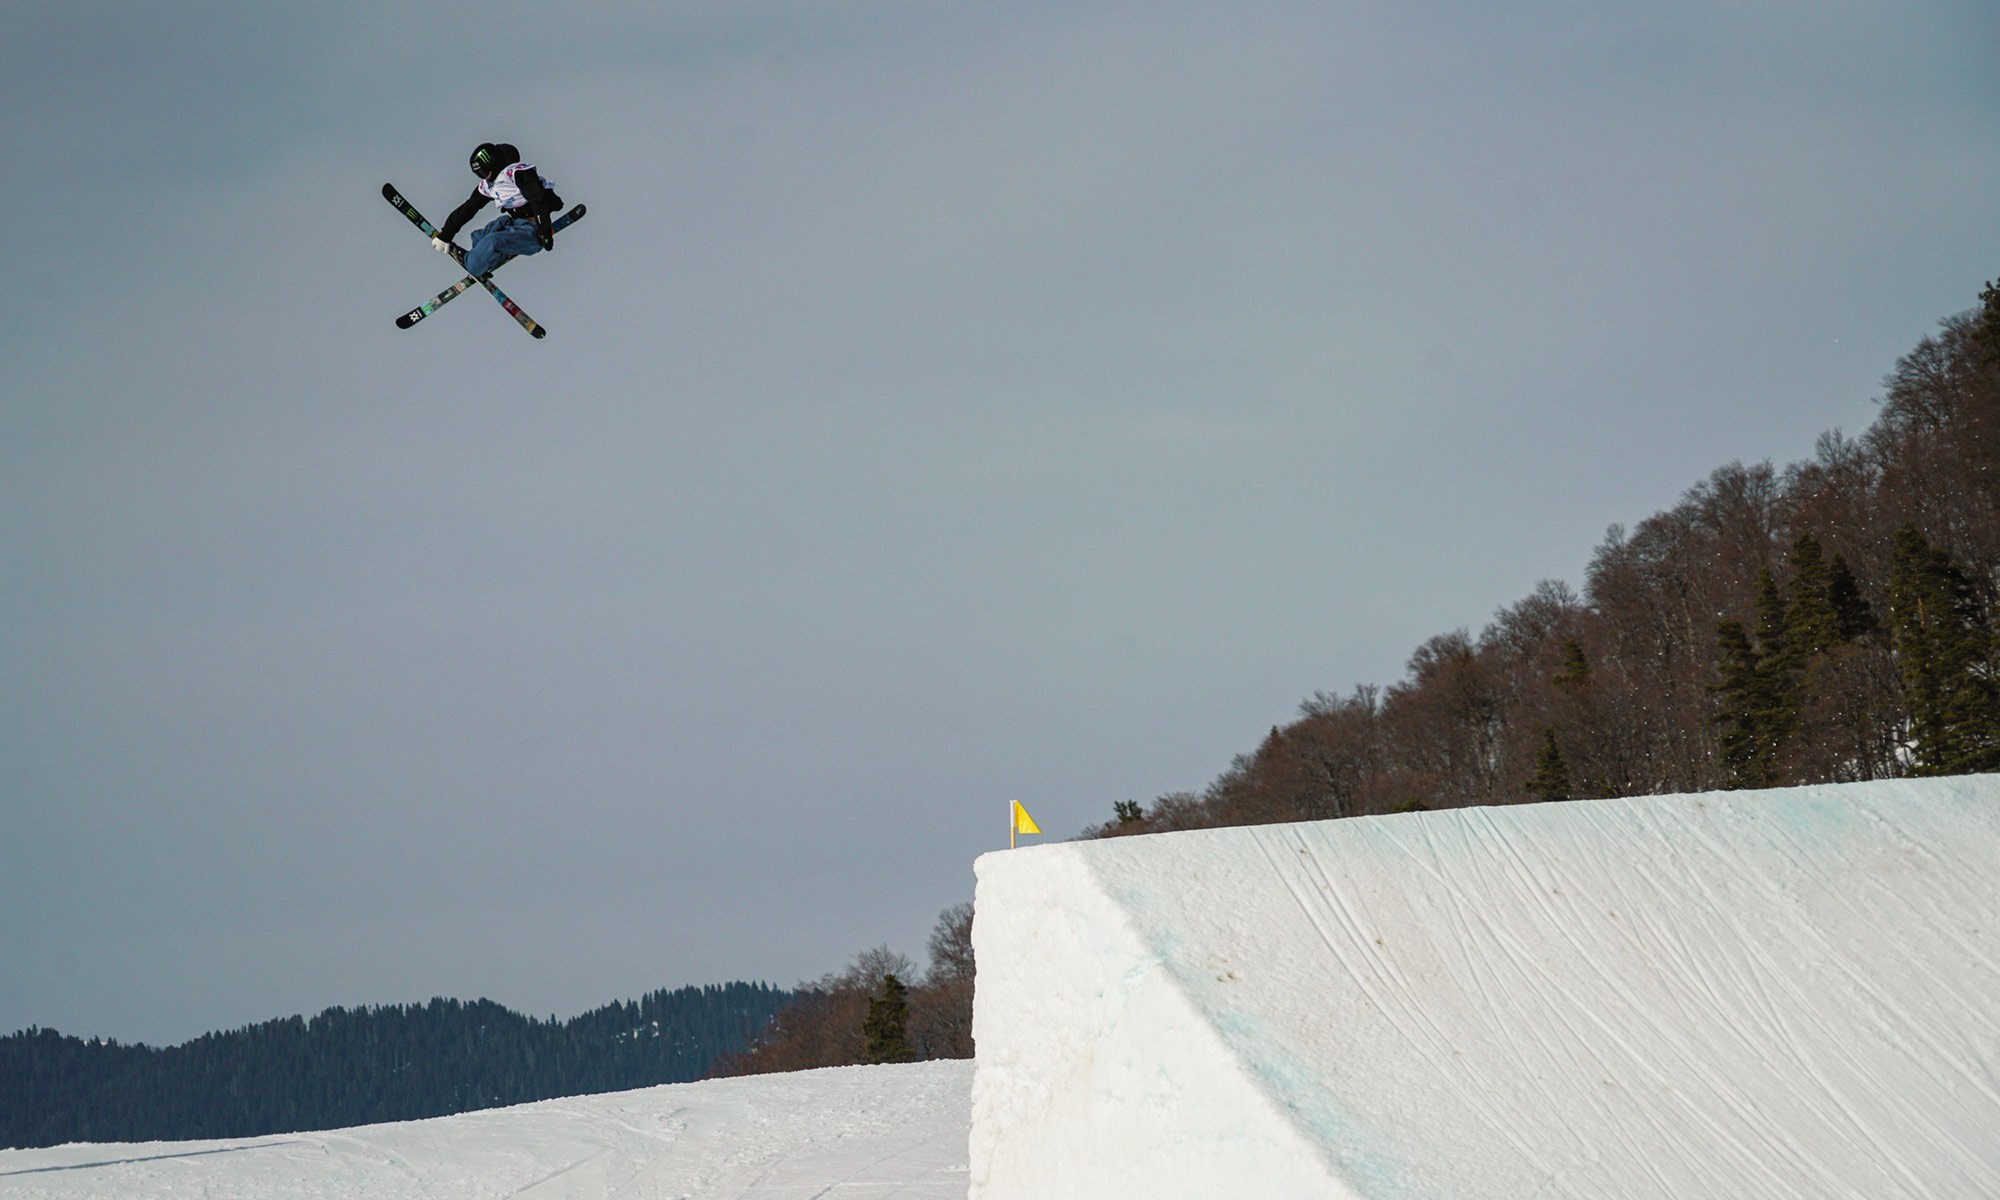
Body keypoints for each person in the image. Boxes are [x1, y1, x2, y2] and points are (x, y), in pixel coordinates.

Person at [433, 143, 565, 277]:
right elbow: (468, 208)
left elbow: (538, 200)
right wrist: (445, 235)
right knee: (482, 235)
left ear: (493, 165)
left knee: (493, 240)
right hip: (515, 224)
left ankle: (472, 265)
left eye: (484, 172)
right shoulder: (490, 185)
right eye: (480, 174)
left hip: (533, 231)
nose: (485, 177)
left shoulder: (516, 173)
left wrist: (544, 232)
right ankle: (483, 261)